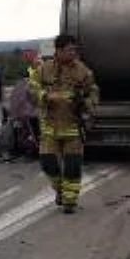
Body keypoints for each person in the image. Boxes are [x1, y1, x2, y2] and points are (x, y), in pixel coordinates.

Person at [28, 33, 99, 214]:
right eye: (69, 50)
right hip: (50, 127)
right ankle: (60, 190)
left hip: (73, 127)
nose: (73, 53)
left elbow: (93, 92)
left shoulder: (83, 71)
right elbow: (31, 89)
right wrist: (45, 96)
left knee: (73, 166)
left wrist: (86, 104)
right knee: (48, 164)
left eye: (75, 50)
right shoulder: (44, 69)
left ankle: (69, 202)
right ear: (58, 51)